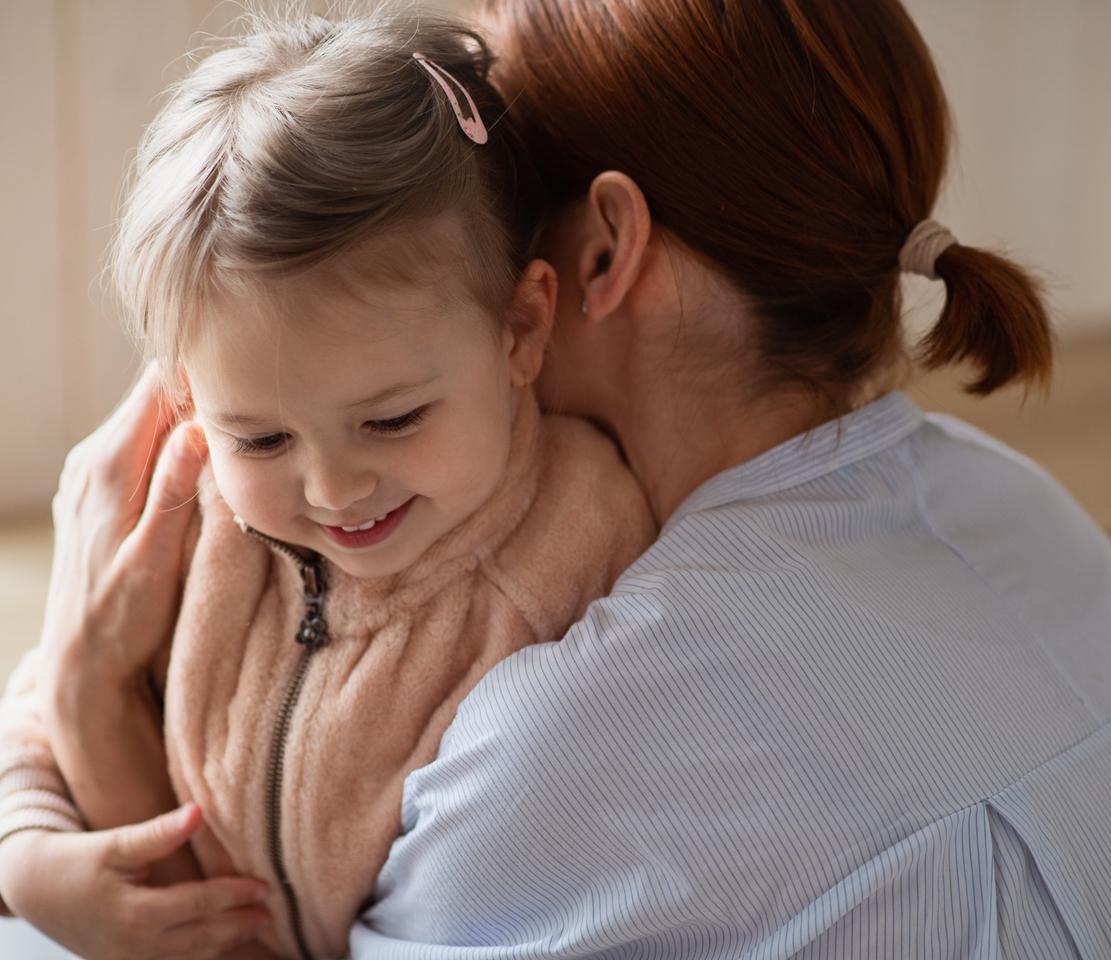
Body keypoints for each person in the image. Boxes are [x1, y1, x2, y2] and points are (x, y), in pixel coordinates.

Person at [6, 0, 1111, 957]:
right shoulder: (1020, 511)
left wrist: (85, 684)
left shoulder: (573, 736)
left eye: (507, 199)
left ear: (588, 256)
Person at [0, 9, 655, 960]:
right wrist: (27, 849)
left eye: (393, 420)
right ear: (187, 398)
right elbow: (41, 696)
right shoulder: (188, 503)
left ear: (521, 330)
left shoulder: (584, 547)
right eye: (261, 436)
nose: (335, 490)